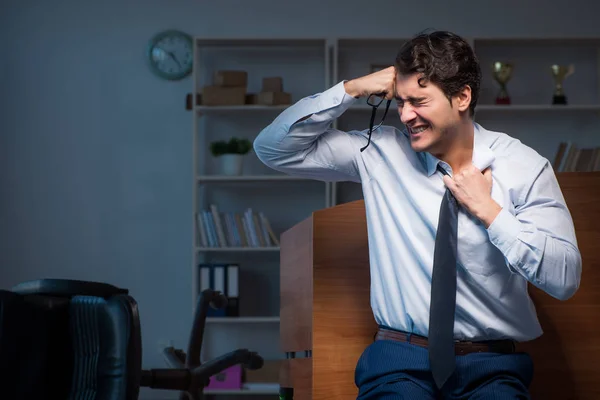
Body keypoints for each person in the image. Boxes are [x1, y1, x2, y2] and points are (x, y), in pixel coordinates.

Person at [253, 30, 582, 399]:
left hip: (490, 368)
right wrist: (351, 89)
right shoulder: (379, 153)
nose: (406, 115)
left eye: (420, 101)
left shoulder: (523, 167)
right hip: (398, 363)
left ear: (462, 97)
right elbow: (272, 149)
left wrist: (491, 213)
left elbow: (564, 277)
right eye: (402, 101)